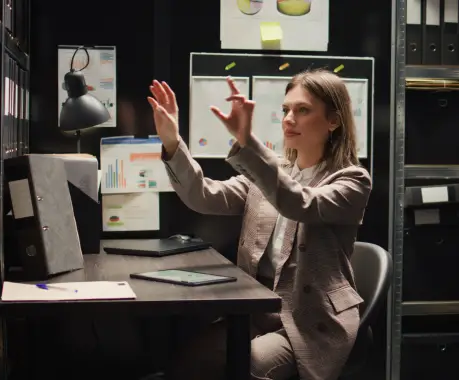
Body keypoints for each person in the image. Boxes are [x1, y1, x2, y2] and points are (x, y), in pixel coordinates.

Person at [147, 69, 372, 380]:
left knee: (248, 365)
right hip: (255, 311)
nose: (289, 119)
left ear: (333, 121)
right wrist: (172, 141)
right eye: (285, 110)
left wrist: (247, 142)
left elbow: (300, 203)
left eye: (302, 110)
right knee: (190, 360)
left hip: (308, 322)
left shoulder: (353, 180)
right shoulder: (274, 171)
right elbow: (203, 196)